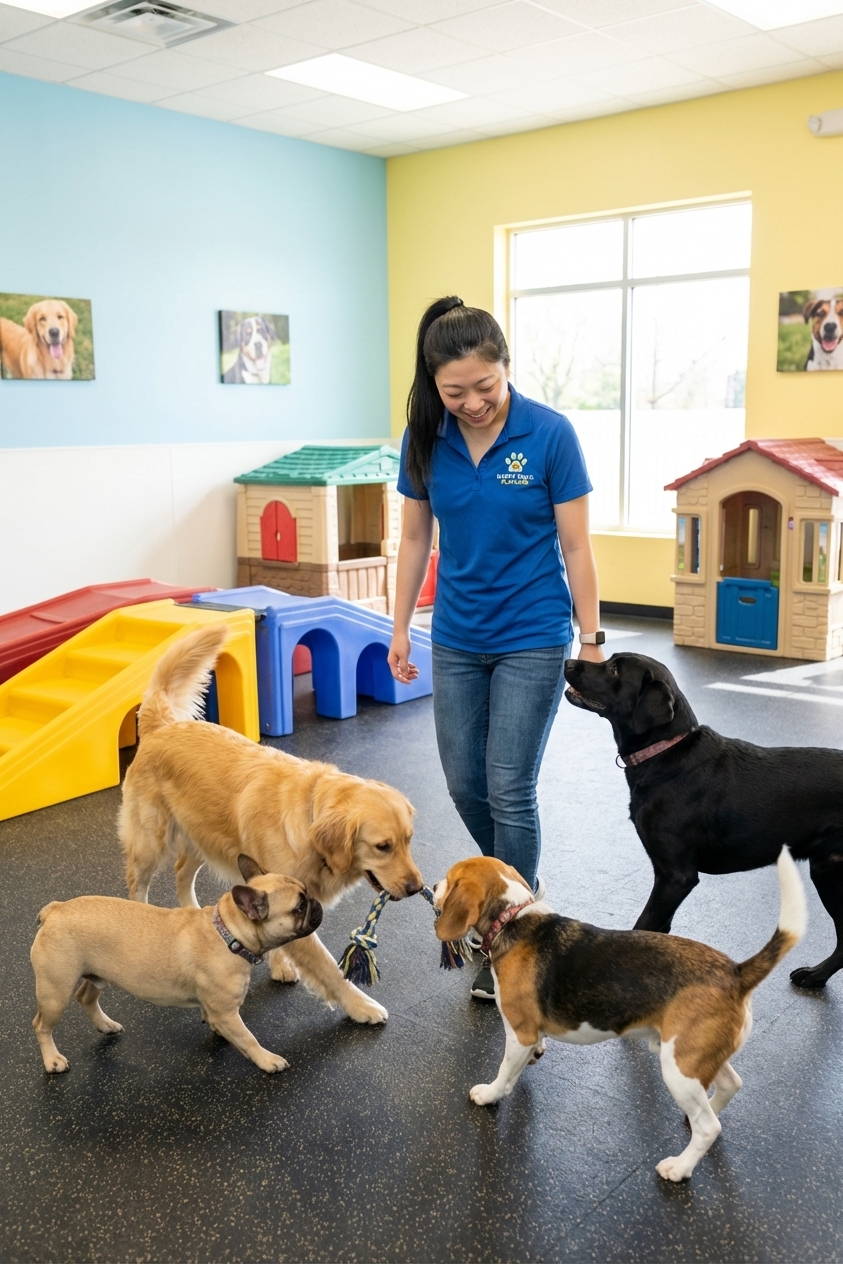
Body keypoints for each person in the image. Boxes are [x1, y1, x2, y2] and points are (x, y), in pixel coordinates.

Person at [387, 296, 604, 1000]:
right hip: (456, 634)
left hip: (532, 633)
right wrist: (397, 627)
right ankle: (517, 892)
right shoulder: (424, 439)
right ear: (434, 386)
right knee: (462, 782)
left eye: (486, 385)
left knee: (508, 784)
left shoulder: (549, 434)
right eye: (456, 392)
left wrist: (590, 637)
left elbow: (574, 544)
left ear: (507, 367)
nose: (473, 402)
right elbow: (415, 538)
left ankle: (516, 929)